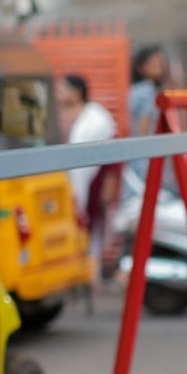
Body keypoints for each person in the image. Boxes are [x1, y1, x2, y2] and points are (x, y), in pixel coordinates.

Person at [56, 73, 119, 258]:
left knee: (90, 229)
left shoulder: (98, 118)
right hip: (60, 181)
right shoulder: (55, 115)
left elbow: (111, 156)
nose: (58, 93)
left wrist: (109, 185)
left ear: (76, 92)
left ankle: (90, 271)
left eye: (62, 89)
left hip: (90, 181)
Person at [126, 43, 169, 179]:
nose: (159, 67)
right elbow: (143, 130)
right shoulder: (148, 91)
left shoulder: (136, 89)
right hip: (143, 156)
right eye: (153, 63)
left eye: (160, 63)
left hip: (134, 154)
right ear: (141, 67)